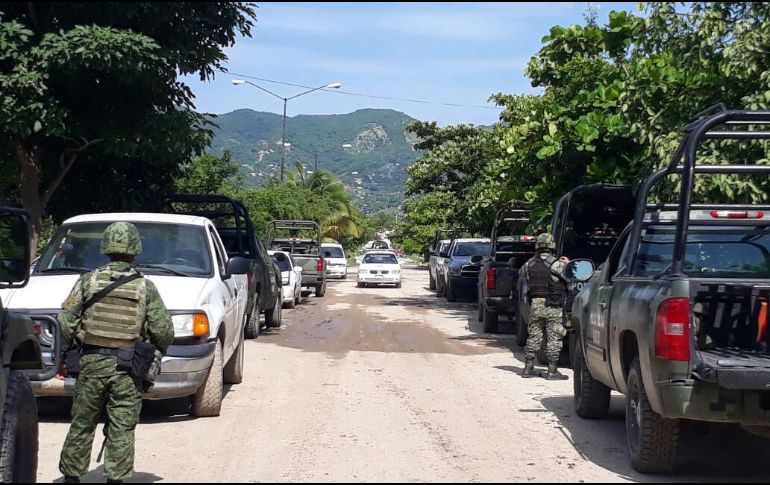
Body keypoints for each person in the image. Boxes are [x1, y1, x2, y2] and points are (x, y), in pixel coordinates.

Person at [58, 222, 174, 483]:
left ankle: (71, 477)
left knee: (82, 422)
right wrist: (155, 351)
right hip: (127, 368)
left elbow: (65, 322)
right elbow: (163, 330)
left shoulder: (88, 281)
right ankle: (116, 478)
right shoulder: (145, 287)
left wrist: (64, 355)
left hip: (90, 365)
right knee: (122, 426)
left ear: (105, 247)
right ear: (135, 249)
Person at [519, 233, 570, 380]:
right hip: (553, 305)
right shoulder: (557, 264)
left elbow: (521, 274)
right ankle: (552, 371)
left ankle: (528, 368)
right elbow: (572, 276)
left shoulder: (529, 264)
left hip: (535, 305)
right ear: (552, 245)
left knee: (534, 336)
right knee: (554, 337)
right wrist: (568, 264)